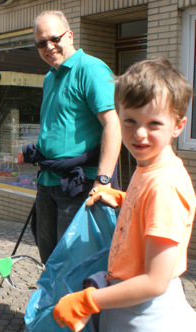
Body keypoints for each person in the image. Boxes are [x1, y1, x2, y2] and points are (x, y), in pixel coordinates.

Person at [53, 58, 196, 331]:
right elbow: (148, 207)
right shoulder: (150, 166)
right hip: (130, 305)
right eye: (130, 120)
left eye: (154, 123)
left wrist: (87, 301)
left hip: (147, 315)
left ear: (178, 126)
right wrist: (121, 197)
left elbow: (155, 281)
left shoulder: (164, 186)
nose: (139, 134)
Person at [32, 10, 121, 263]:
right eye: (41, 43)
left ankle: (73, 303)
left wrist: (103, 181)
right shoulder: (50, 77)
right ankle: (53, 303)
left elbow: (113, 125)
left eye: (54, 38)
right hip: (48, 181)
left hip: (80, 184)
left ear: (69, 36)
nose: (49, 47)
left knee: (76, 260)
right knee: (49, 256)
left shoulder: (90, 68)